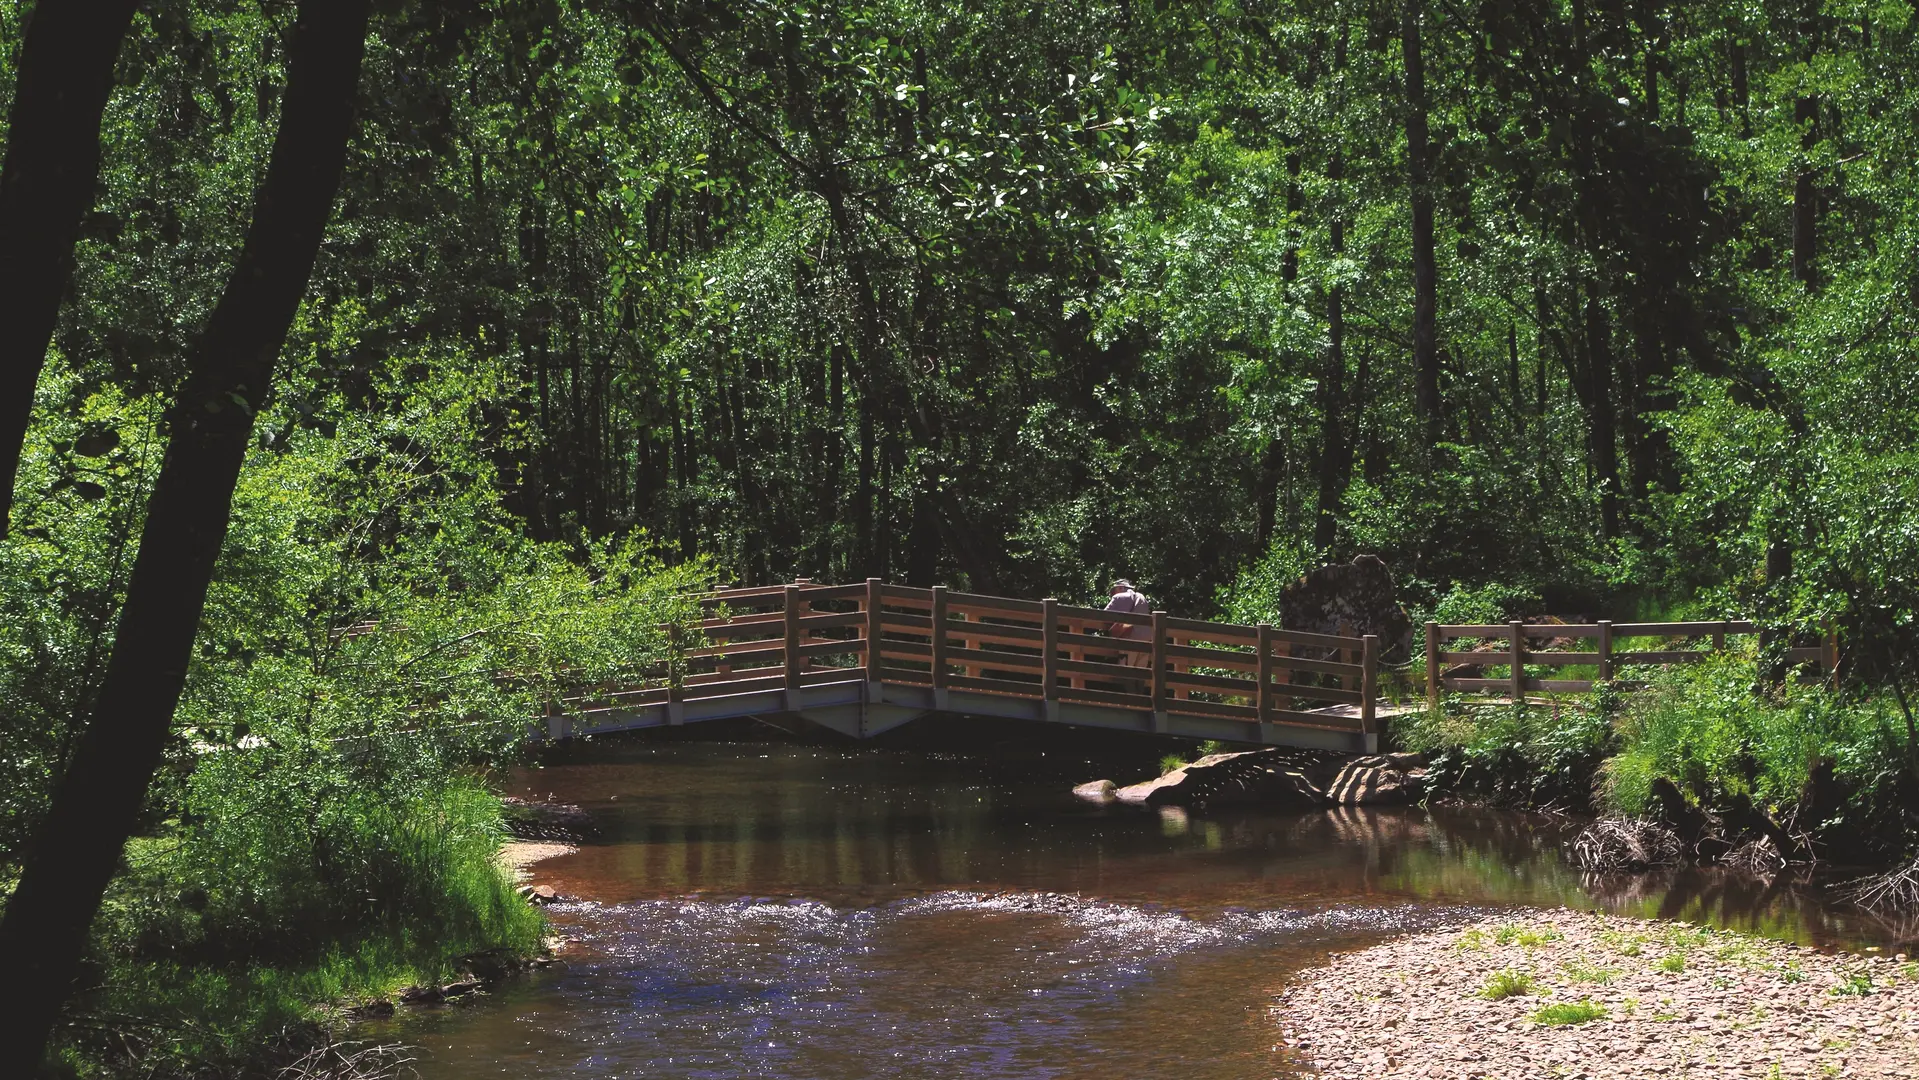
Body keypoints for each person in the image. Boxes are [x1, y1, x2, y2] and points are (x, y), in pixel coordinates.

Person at [1104, 578, 1154, 673]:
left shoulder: (1119, 597)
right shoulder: (1141, 597)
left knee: (1126, 673)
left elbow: (1104, 615)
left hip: (1131, 639)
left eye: (1114, 591)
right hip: (1147, 640)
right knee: (1140, 674)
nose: (1113, 594)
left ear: (1120, 588)